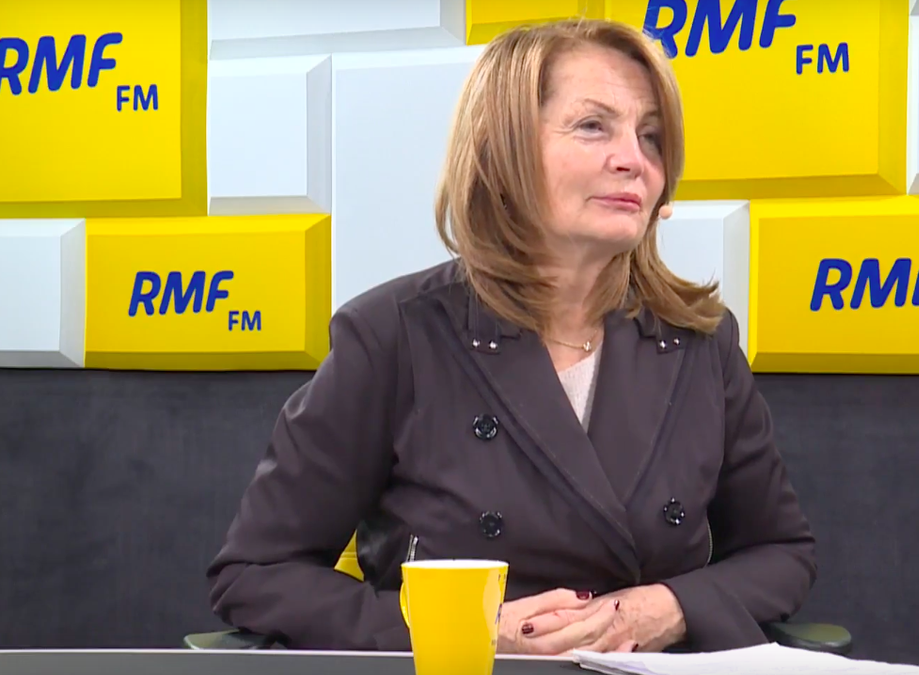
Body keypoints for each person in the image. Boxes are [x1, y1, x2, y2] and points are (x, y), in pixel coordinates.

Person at [205, 17, 817, 656]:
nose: (633, 160)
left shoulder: (700, 342)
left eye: (651, 137)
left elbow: (781, 553)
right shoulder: (393, 336)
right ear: (503, 150)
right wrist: (466, 630)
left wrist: (669, 607)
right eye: (593, 126)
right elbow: (257, 573)